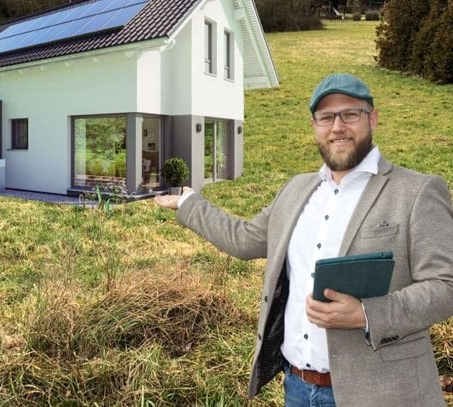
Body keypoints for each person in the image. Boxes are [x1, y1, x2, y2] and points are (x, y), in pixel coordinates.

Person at [155, 73, 453, 406]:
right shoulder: (296, 189)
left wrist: (367, 314)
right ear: (315, 125)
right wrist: (187, 202)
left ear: (373, 119)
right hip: (297, 388)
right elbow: (244, 239)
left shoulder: (416, 191)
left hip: (382, 392)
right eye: (326, 117)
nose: (337, 126)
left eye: (350, 114)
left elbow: (445, 285)